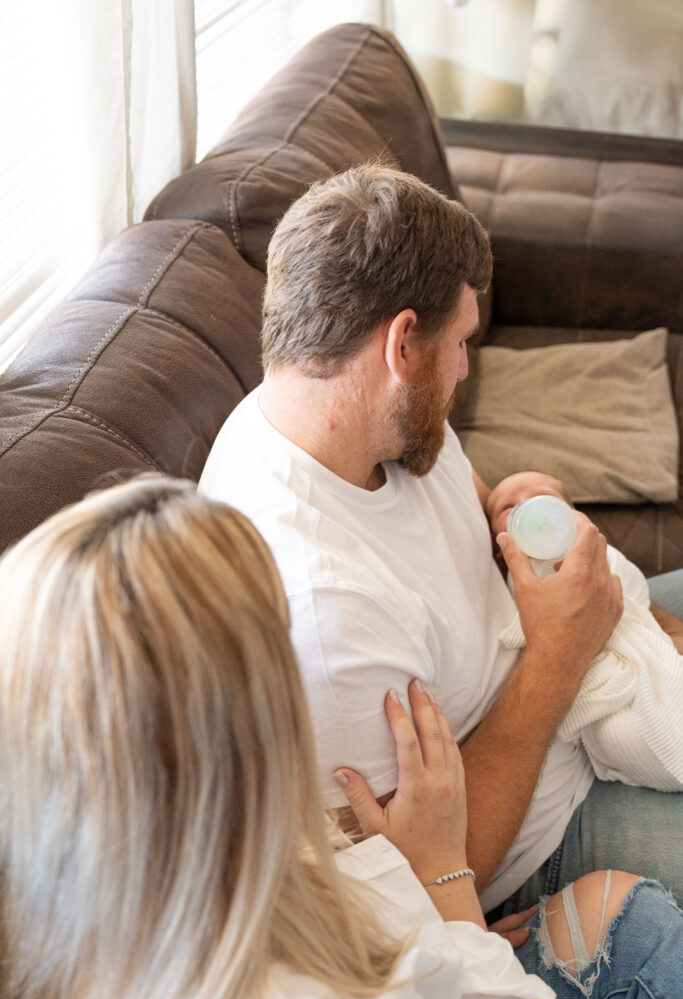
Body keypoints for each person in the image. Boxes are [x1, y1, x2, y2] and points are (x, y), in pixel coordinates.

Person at [1, 474, 682, 999]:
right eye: (280, 643)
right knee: (634, 919)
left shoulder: (84, 904)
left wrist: (436, 934)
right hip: (488, 906)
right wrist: (448, 895)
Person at [199, 162, 683, 917]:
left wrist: (517, 513)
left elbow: (461, 510)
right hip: (547, 831)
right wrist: (561, 651)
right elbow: (430, 879)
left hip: (574, 665)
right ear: (401, 345)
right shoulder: (326, 611)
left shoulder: (350, 412)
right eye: (459, 343)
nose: (463, 369)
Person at [485, 470, 683, 790]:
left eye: (543, 500)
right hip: (593, 683)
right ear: (497, 546)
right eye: (509, 508)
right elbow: (520, 633)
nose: (530, 509)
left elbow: (634, 597)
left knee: (669, 688)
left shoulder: (600, 553)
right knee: (622, 736)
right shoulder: (511, 580)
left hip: (638, 648)